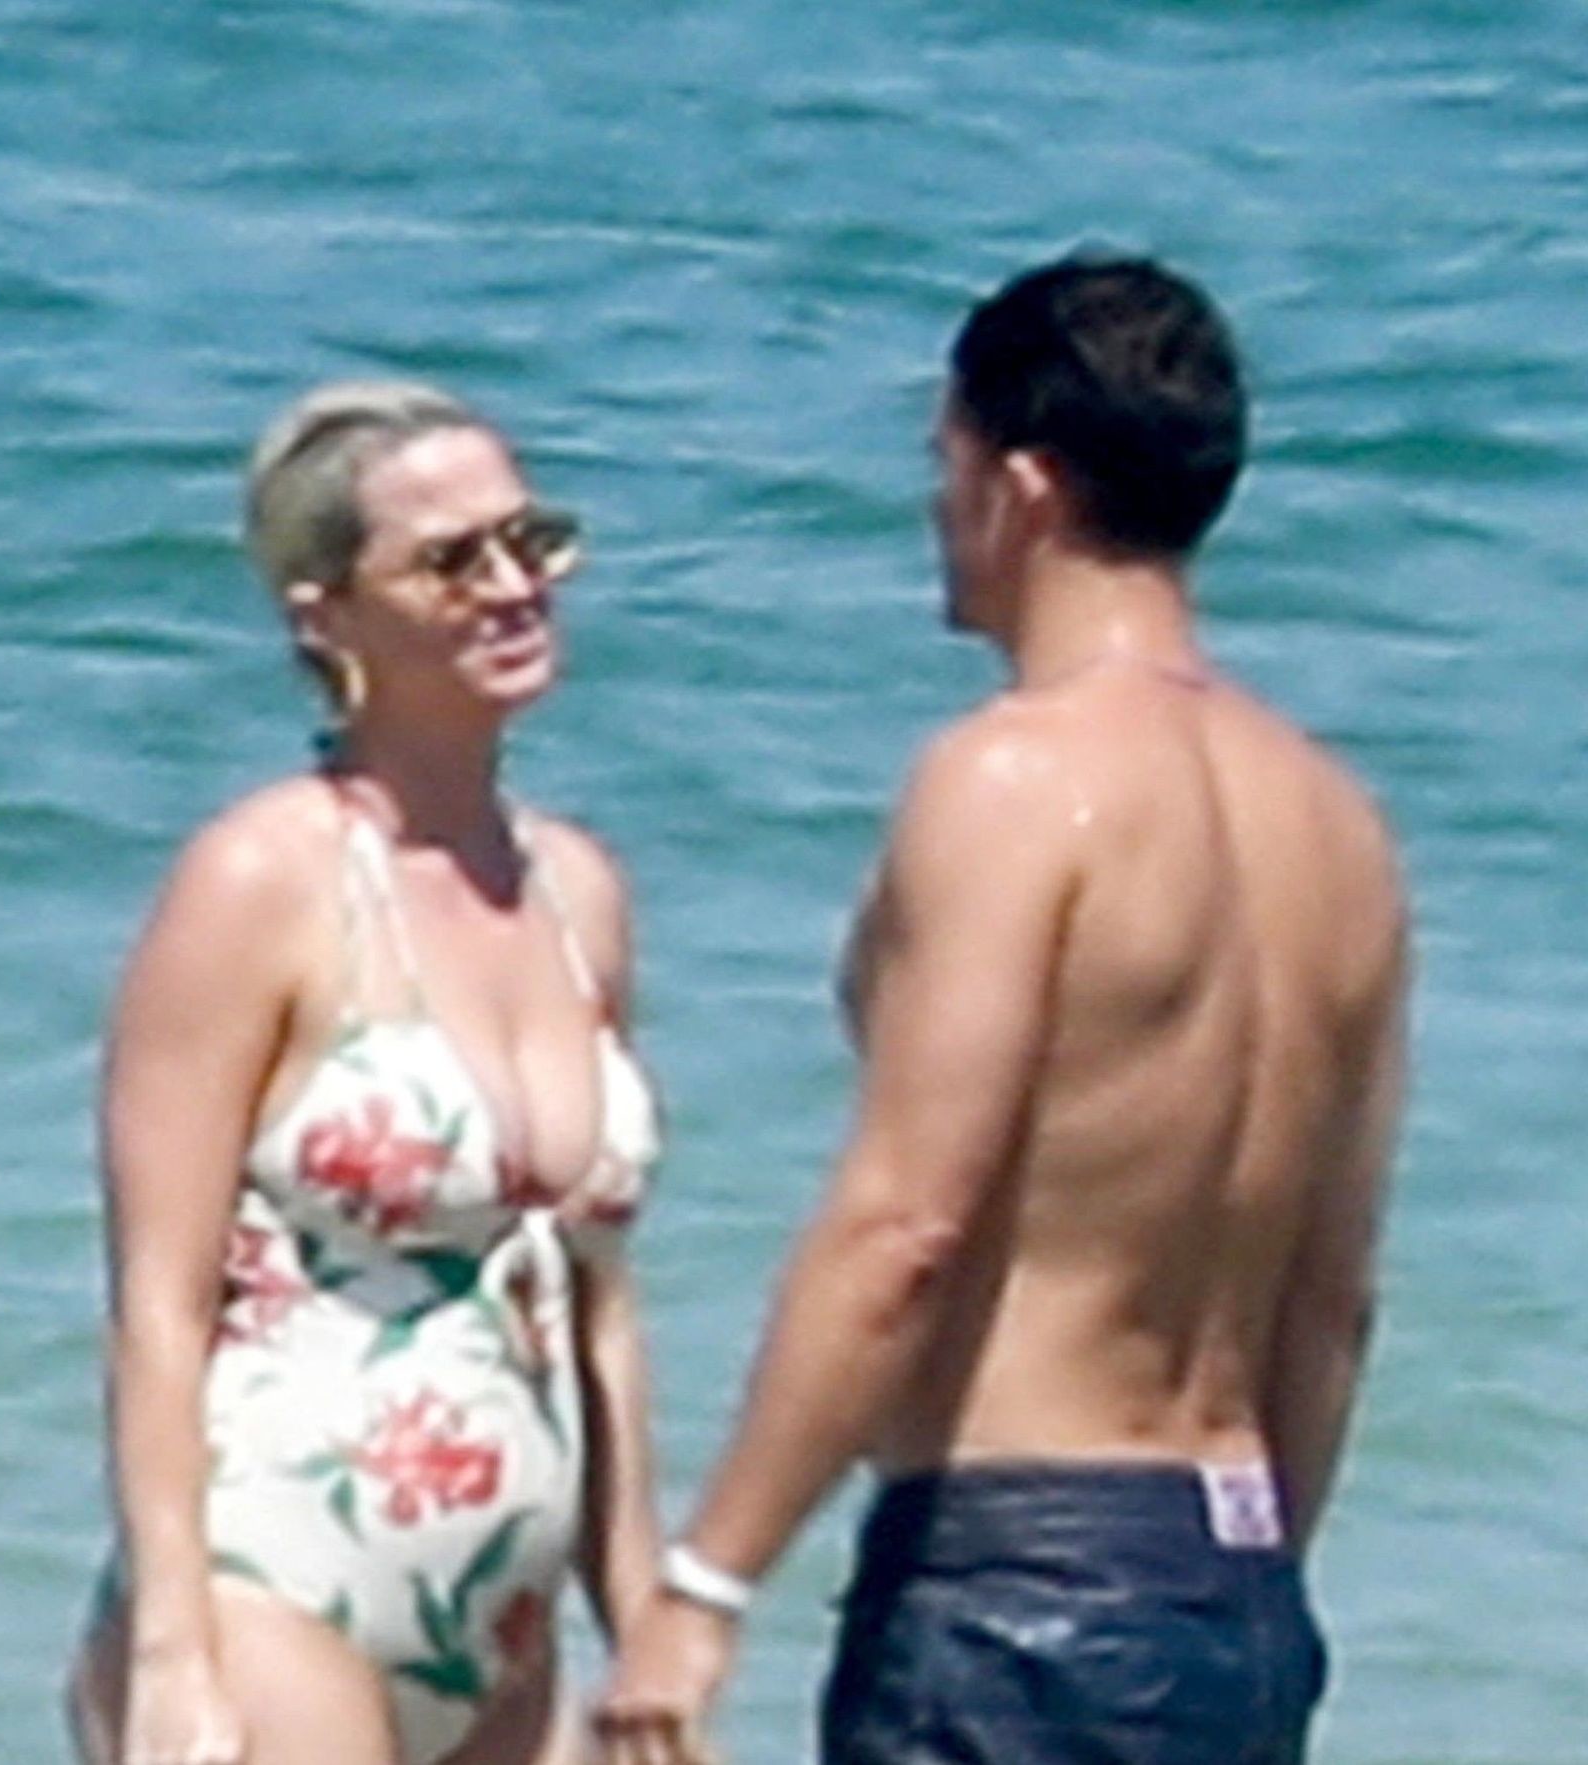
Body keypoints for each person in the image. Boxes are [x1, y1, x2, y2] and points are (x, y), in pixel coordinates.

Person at [596, 255, 1410, 1765]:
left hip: (1015, 1586)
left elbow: (906, 1223)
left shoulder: (1011, 782)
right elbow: (1332, 1293)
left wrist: (706, 1583)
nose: (936, 506)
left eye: (945, 461)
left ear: (1020, 489)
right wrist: (1237, 1592)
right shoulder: (1340, 828)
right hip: (1237, 1589)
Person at [66, 380, 664, 1765]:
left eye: (531, 539)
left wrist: (646, 1628)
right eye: (453, 560)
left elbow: (598, 1306)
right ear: (324, 616)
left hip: (511, 1624)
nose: (512, 585)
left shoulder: (575, 891)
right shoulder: (259, 881)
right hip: (271, 1586)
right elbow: (157, 1301)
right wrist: (173, 1654)